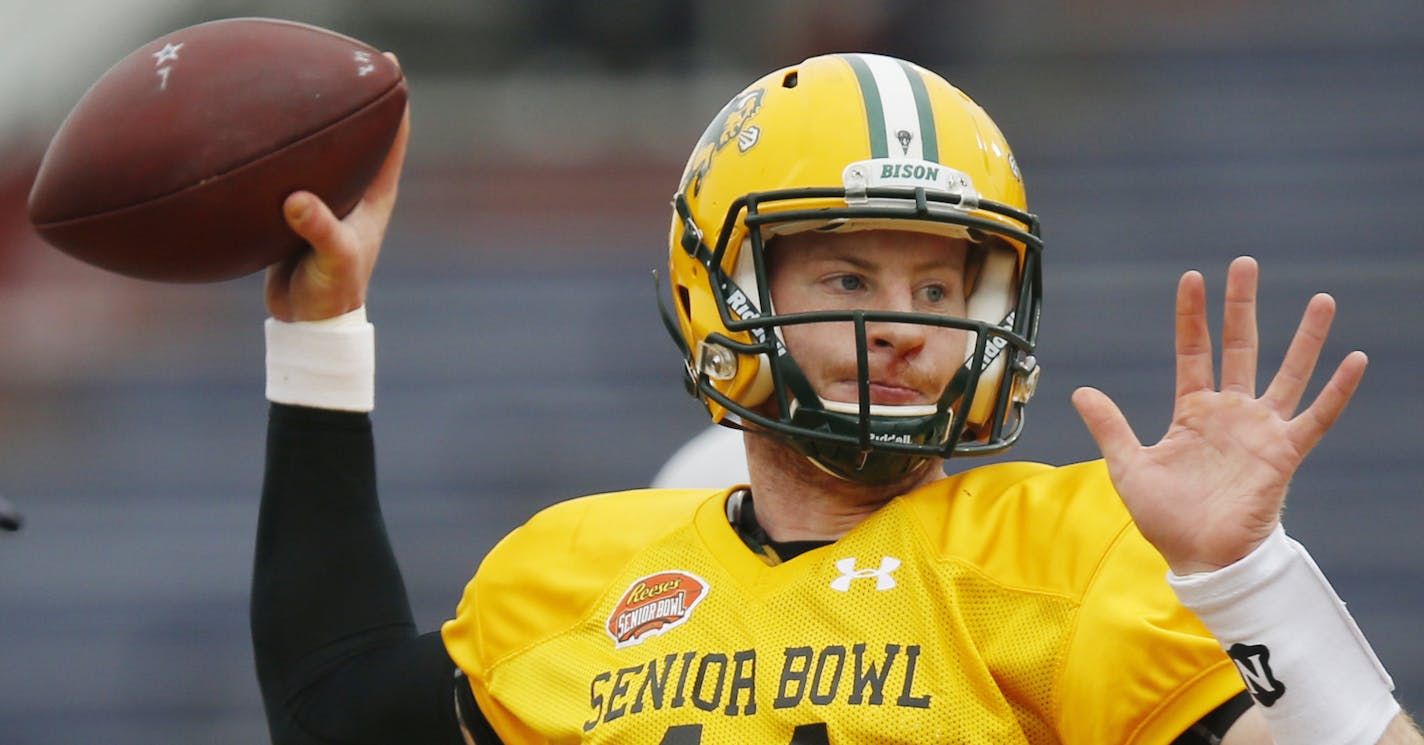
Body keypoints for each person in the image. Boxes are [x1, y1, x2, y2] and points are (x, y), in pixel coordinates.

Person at [253, 52, 1421, 744]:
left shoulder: (1064, 550)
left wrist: (1243, 581)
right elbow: (332, 708)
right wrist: (316, 335)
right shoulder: (573, 569)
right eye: (848, 277)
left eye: (937, 281)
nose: (905, 322)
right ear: (723, 289)